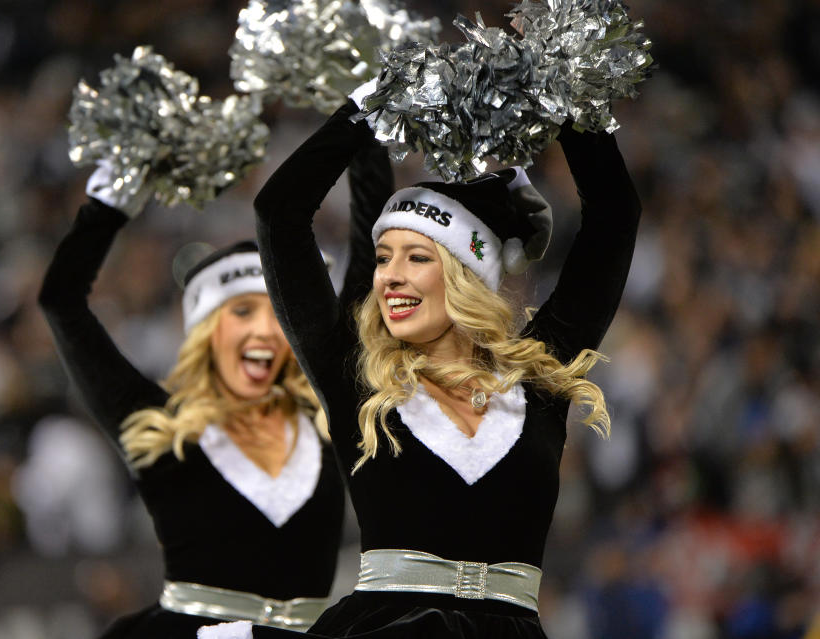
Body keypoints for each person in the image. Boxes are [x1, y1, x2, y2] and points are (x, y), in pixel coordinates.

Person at [245, 94, 641, 638]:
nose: (389, 277)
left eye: (417, 257)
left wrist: (559, 88)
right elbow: (279, 213)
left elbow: (615, 216)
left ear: (466, 275)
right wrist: (371, 104)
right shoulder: (359, 379)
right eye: (383, 258)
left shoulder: (539, 378)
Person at [37, 135, 393, 637]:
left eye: (277, 316)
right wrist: (108, 204)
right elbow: (62, 303)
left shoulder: (329, 419)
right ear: (206, 333)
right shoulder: (162, 427)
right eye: (241, 311)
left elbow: (366, 276)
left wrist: (366, 134)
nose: (263, 331)